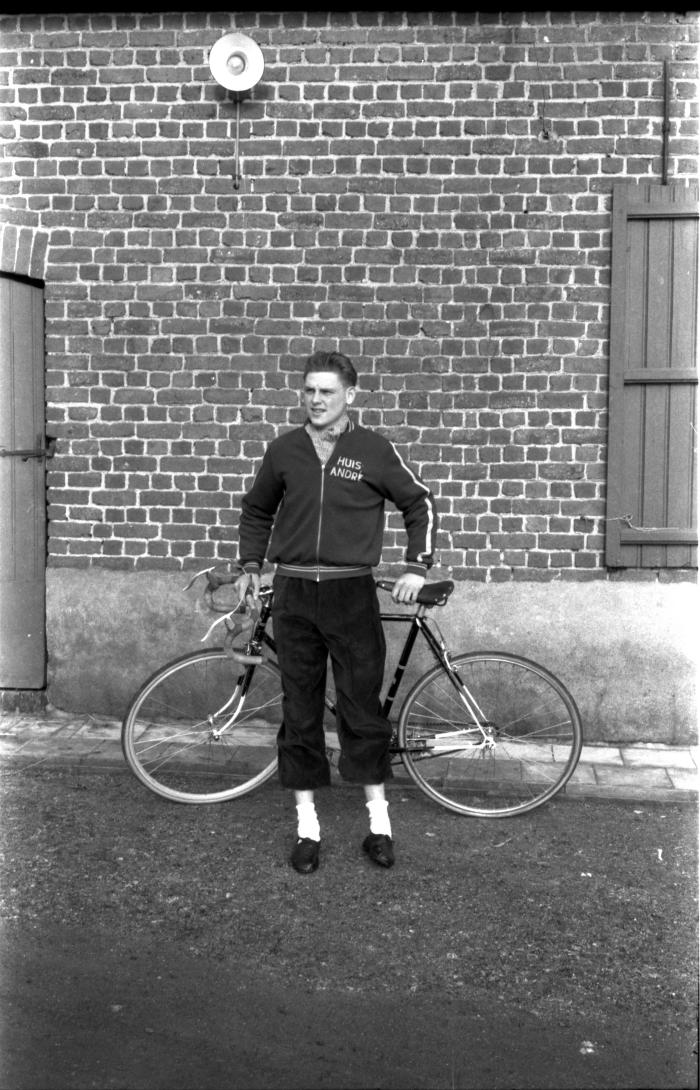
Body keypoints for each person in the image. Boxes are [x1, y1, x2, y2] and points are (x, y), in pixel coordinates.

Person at [233, 349, 437, 874]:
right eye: (308, 390)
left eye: (327, 391)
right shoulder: (284, 451)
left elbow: (418, 502)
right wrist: (251, 565)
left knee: (360, 709)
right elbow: (256, 509)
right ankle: (308, 829)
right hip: (297, 595)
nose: (316, 400)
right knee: (299, 711)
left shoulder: (372, 449)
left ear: (350, 395)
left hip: (351, 595)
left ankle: (379, 825)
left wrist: (418, 565)